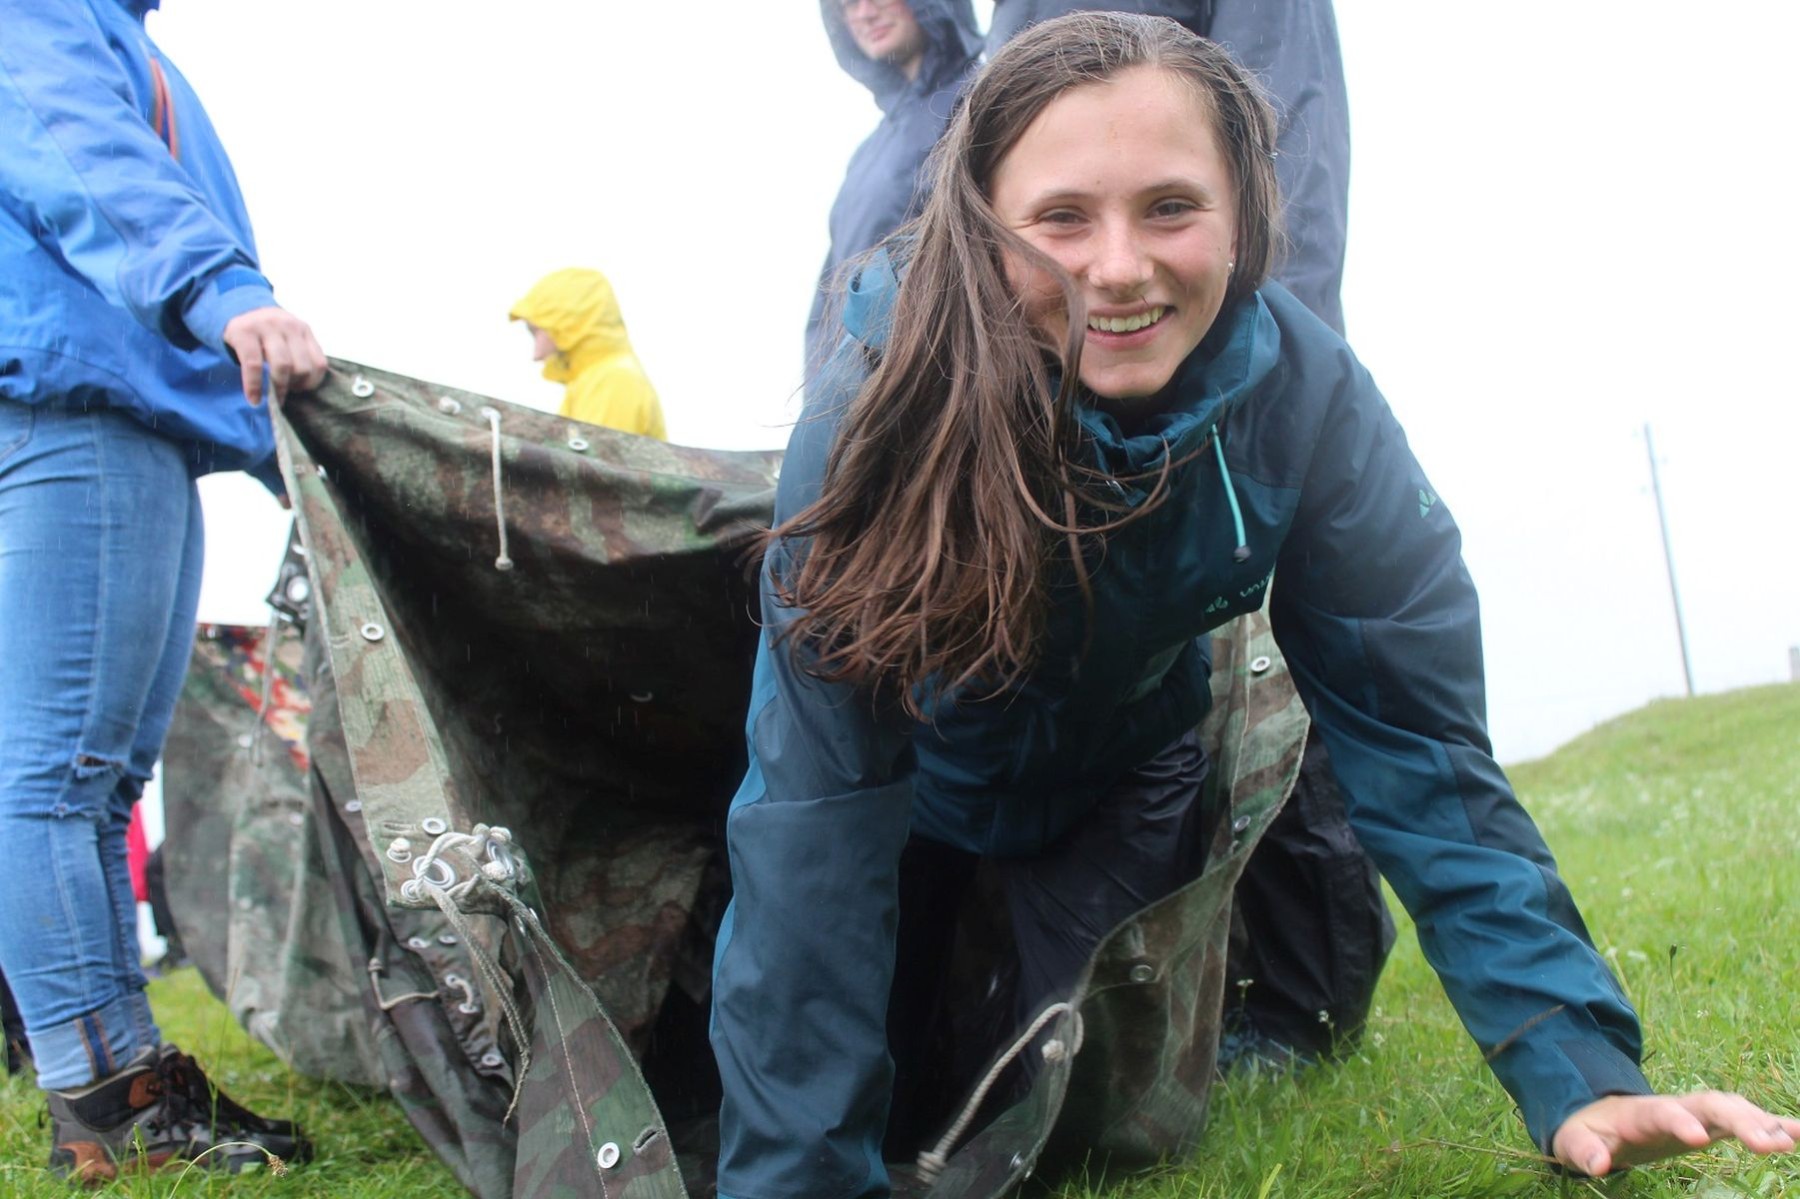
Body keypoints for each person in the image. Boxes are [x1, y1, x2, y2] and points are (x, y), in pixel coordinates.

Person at [707, 14, 1800, 1197]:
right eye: (1062, 217)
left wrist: (1575, 1062)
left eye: (1171, 207)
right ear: (980, 229)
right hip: (916, 793)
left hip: (1119, 788)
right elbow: (815, 809)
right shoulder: (875, 415)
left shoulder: (1309, 402)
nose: (1119, 267)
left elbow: (1416, 738)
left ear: (1246, 212)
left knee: (1058, 1134)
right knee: (861, 1100)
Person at [986, 0, 1379, 1068]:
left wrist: (1252, 389)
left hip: (1209, 399)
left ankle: (1306, 1002)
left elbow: (1284, 151)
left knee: (1275, 684)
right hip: (1047, 406)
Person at [0, 0, 324, 1181]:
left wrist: (265, 432)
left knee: (95, 784)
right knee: (59, 778)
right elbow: (73, 142)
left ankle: (130, 1083)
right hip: (71, 406)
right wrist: (221, 287)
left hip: (115, 407)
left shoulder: (118, 29)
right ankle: (106, 1098)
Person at [807, 0, 981, 371]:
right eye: (847, 4)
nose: (864, 13)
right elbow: (831, 287)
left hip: (932, 378)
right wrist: (821, 385)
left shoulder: (979, 100)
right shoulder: (868, 151)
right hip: (852, 386)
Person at [510, 267, 668, 440]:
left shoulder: (612, 381)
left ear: (568, 324)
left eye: (535, 331)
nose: (536, 354)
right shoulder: (589, 381)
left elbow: (599, 457)